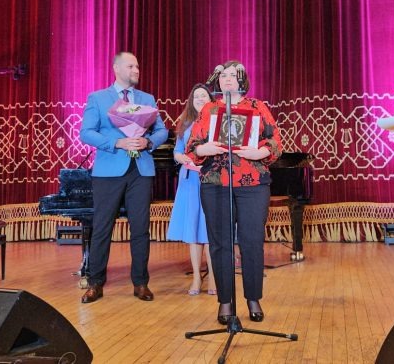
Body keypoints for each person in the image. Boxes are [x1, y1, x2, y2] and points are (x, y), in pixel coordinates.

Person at [186, 61, 282, 324]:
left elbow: (275, 142)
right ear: (218, 81)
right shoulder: (209, 109)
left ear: (242, 80)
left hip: (253, 184)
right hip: (216, 184)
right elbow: (192, 148)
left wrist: (259, 152)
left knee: (252, 241)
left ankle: (253, 298)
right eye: (223, 75)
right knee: (220, 244)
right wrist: (207, 149)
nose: (227, 78)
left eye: (233, 74)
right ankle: (226, 301)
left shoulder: (258, 106)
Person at [78, 52, 169, 304]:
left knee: (140, 228)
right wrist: (116, 142)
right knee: (102, 228)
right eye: (131, 66)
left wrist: (148, 141)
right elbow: (86, 133)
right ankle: (95, 283)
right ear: (116, 68)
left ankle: (141, 283)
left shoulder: (147, 99)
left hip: (141, 170)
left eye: (137, 66)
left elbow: (162, 130)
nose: (136, 70)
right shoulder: (98, 98)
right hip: (108, 172)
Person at [166, 83, 217, 296]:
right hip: (190, 181)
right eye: (196, 96)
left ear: (211, 99)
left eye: (204, 95)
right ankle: (196, 277)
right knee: (194, 230)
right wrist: (182, 158)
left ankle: (213, 277)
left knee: (211, 231)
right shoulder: (185, 123)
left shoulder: (217, 121)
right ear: (191, 101)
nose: (200, 99)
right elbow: (177, 151)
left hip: (212, 179)